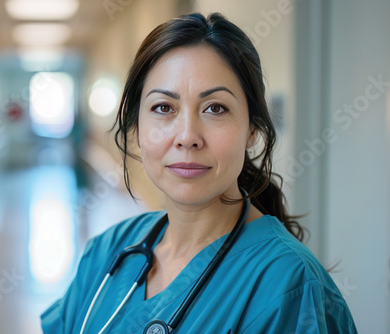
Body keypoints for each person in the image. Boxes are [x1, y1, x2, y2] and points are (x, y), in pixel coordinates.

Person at [41, 13, 357, 333]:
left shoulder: (290, 287)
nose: (187, 136)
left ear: (252, 129)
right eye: (164, 108)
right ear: (136, 128)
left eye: (215, 108)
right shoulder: (107, 253)